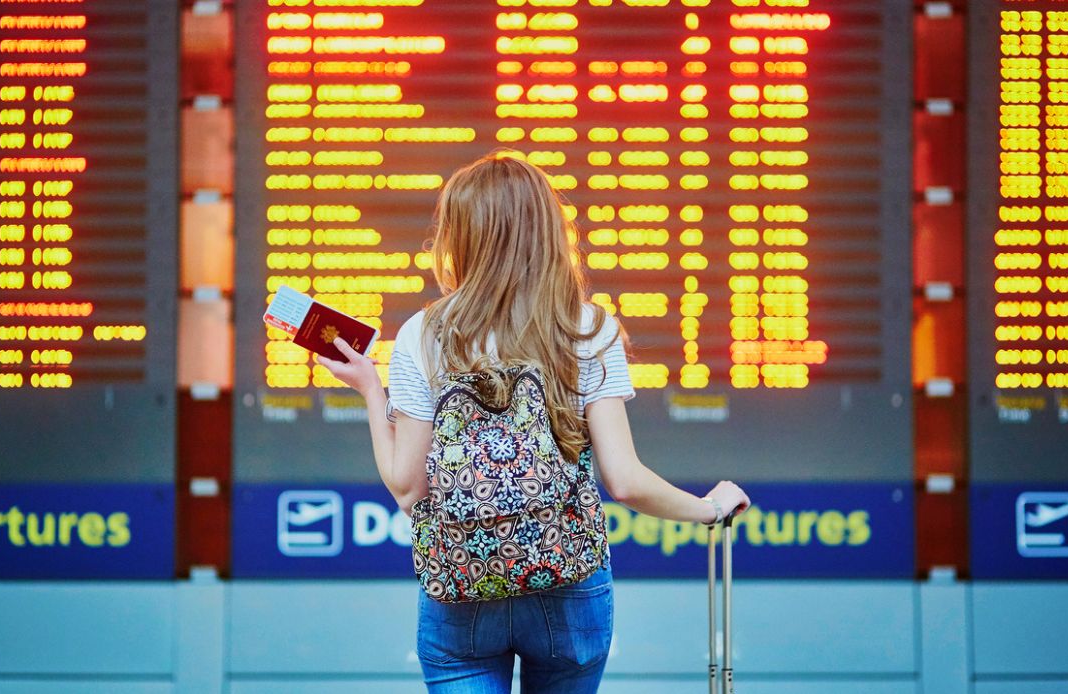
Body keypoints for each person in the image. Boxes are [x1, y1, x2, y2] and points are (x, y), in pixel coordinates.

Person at [321, 152, 751, 694]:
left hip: (460, 584)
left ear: (461, 236)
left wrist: (369, 389)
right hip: (568, 583)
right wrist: (709, 509)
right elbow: (624, 481)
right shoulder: (587, 327)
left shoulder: (421, 335)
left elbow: (408, 489)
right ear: (549, 230)